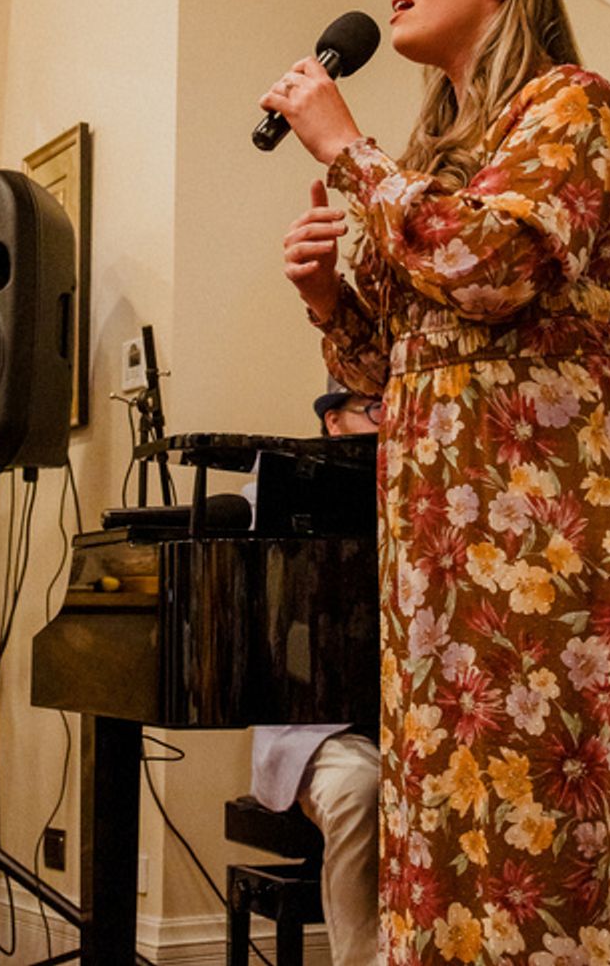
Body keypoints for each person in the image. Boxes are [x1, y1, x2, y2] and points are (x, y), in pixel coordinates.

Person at [259, 0, 610, 966]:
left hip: (554, 499)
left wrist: (346, 150)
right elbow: (386, 366)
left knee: (564, 779)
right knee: (456, 791)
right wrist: (328, 298)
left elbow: (494, 269)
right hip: (438, 515)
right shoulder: (432, 157)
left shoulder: (572, 103)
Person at [250, 383, 382, 966]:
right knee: (359, 789)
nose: (390, 422)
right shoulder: (282, 494)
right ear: (333, 421)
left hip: (418, 726)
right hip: (321, 731)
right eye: (375, 409)